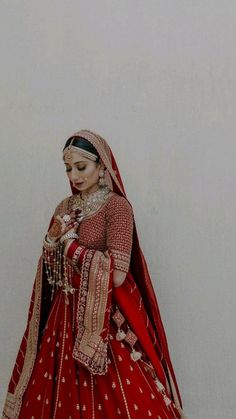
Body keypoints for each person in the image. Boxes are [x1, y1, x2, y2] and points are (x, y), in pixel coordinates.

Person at [2, 129, 185, 419]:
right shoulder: (65, 207)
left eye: (81, 167)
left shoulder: (117, 207)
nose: (73, 175)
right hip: (63, 319)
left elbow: (118, 276)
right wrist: (52, 241)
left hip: (105, 320)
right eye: (68, 168)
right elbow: (52, 270)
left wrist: (71, 246)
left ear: (102, 166)